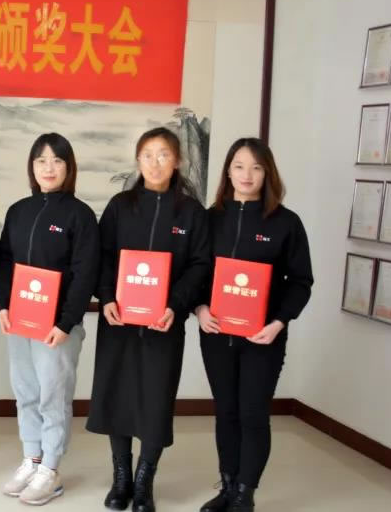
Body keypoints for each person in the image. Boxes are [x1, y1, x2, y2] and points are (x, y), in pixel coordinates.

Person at [87, 127, 211, 512]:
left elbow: (200, 264)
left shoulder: (191, 213)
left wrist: (175, 304)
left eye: (163, 155)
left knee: (156, 400)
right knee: (117, 394)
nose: (155, 163)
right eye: (147, 155)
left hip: (164, 324)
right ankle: (121, 476)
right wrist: (107, 297)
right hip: (120, 322)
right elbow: (102, 255)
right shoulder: (120, 205)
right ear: (138, 161)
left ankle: (144, 480)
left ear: (178, 161)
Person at [194, 138, 313, 512]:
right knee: (226, 412)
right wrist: (199, 308)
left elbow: (300, 282)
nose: (247, 175)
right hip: (216, 334)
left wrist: (279, 323)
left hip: (263, 337)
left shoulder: (286, 223)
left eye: (256, 167)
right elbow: (195, 272)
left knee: (253, 414)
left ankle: (246, 492)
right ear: (228, 171)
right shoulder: (210, 219)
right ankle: (228, 487)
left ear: (268, 173)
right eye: (239, 166)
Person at [0, 133, 99, 506]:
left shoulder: (80, 215)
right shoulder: (19, 211)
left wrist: (65, 322)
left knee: (54, 397)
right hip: (20, 321)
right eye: (41, 160)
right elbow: (5, 260)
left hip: (57, 328)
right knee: (26, 393)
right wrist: (3, 305)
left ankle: (51, 470)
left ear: (69, 168)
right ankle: (32, 459)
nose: (48, 168)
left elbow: (85, 273)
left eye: (57, 160)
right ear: (32, 167)